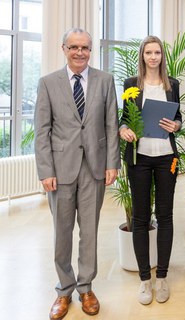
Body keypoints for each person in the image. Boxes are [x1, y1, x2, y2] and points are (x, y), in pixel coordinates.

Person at [34, 28, 120, 320]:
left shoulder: (105, 81)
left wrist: (112, 163)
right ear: (64, 49)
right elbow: (42, 131)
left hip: (94, 168)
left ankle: (85, 287)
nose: (80, 52)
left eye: (85, 47)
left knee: (90, 232)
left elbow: (111, 125)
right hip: (60, 170)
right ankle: (64, 290)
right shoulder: (48, 83)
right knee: (62, 233)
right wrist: (45, 170)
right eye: (74, 47)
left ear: (90, 50)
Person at [119, 35, 181, 305]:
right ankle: (145, 279)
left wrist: (176, 126)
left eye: (157, 52)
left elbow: (178, 118)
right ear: (142, 56)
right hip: (139, 159)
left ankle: (163, 276)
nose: (153, 57)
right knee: (141, 219)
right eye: (148, 52)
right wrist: (124, 130)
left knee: (165, 216)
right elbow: (122, 119)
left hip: (166, 158)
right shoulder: (131, 84)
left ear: (162, 56)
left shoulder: (173, 85)